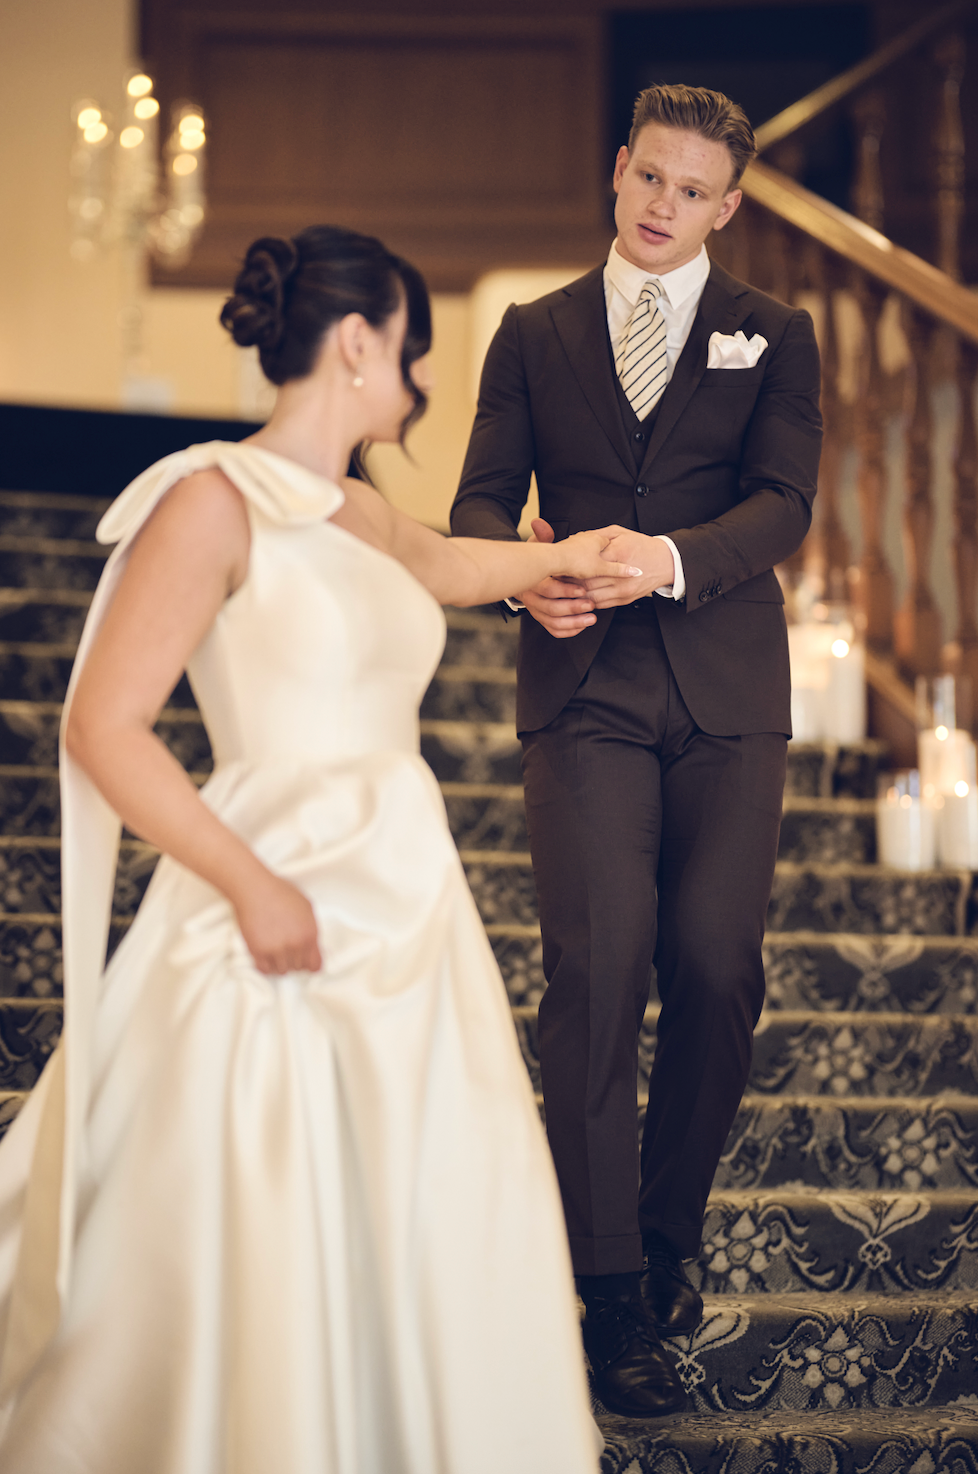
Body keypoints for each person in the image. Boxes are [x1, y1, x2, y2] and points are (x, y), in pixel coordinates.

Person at [0, 225, 645, 1472]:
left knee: (421, 1201)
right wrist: (249, 884)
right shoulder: (208, 499)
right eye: (410, 358)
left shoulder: (357, 508)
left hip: (406, 906)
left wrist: (565, 560)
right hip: (274, 893)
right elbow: (103, 725)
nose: (413, 390)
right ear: (357, 342)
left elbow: (450, 561)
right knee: (263, 1201)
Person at [450, 84, 822, 1419]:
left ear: (727, 206)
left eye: (689, 190)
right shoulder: (532, 332)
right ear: (616, 171)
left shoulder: (775, 336)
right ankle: (608, 1290)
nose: (661, 207)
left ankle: (668, 1233)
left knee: (718, 971)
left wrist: (661, 560)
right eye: (645, 176)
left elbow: (782, 502)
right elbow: (481, 502)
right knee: (597, 969)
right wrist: (525, 574)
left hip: (728, 692)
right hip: (584, 693)